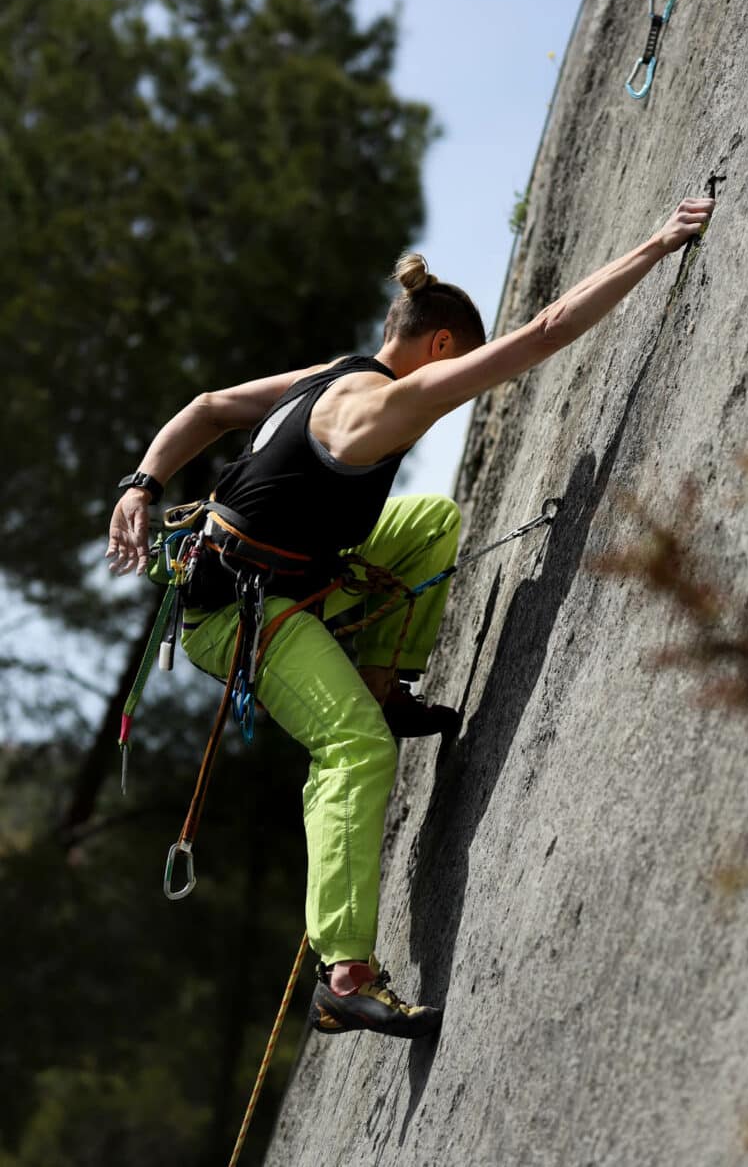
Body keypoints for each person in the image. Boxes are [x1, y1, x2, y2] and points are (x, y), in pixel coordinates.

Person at [106, 195, 715, 1037]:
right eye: (453, 369)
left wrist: (141, 482)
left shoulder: (334, 372)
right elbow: (540, 335)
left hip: (278, 572)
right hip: (238, 614)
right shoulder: (387, 404)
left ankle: (382, 686)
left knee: (429, 523)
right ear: (436, 348)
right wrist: (654, 244)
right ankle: (343, 973)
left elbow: (209, 405)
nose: (451, 389)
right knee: (350, 746)